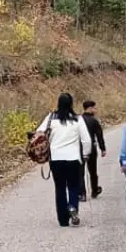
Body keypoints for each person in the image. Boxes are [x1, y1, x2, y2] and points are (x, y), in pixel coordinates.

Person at [34, 92, 92, 227]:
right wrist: (86, 155)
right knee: (73, 186)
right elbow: (87, 140)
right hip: (73, 159)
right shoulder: (78, 119)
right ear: (71, 104)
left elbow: (39, 133)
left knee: (60, 188)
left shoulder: (51, 118)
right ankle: (73, 208)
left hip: (56, 159)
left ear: (58, 103)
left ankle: (63, 219)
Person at [81, 100, 106, 198]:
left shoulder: (78, 120)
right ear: (90, 108)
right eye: (95, 108)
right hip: (91, 148)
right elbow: (99, 136)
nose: (96, 110)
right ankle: (94, 190)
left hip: (80, 148)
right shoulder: (94, 121)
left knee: (80, 172)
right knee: (92, 171)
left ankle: (82, 193)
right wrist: (102, 148)